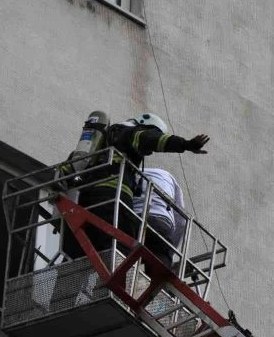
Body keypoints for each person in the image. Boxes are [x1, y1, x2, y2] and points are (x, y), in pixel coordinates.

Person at [62, 113, 209, 261]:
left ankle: (63, 281)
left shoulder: (100, 144)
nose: (148, 152)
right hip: (113, 198)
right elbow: (153, 139)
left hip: (84, 200)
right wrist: (186, 144)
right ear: (146, 126)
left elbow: (69, 168)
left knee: (78, 251)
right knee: (120, 249)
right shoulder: (130, 133)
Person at [133, 167, 186, 269]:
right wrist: (169, 251)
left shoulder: (132, 171)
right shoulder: (167, 176)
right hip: (162, 223)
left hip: (135, 219)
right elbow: (181, 220)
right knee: (159, 270)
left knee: (120, 260)